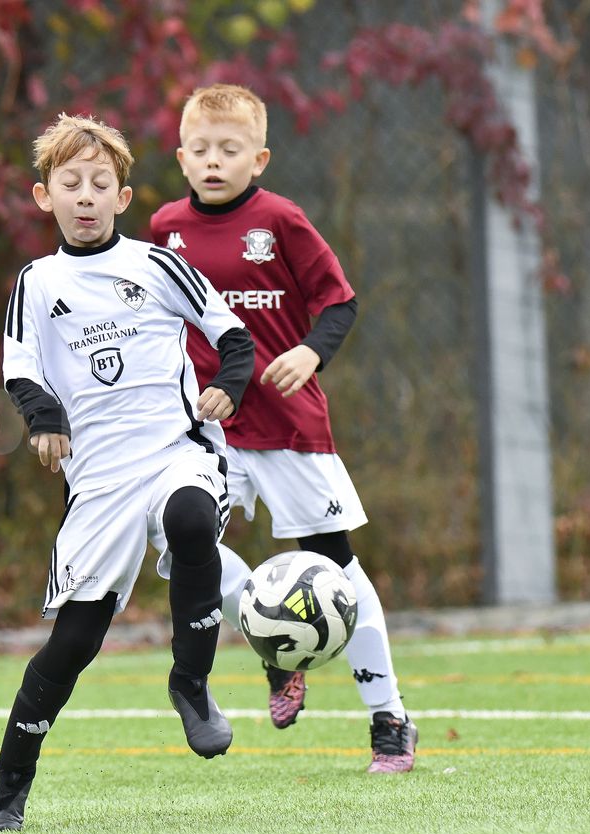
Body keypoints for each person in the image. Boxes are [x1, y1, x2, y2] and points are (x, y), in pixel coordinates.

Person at [0, 113, 255, 831]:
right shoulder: (37, 282)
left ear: (123, 197)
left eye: (101, 184)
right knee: (74, 643)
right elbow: (19, 368)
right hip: (98, 482)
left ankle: (191, 683)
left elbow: (230, 333)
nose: (87, 196)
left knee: (193, 521)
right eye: (71, 184)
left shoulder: (157, 264)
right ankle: (8, 781)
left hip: (174, 452)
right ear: (46, 196)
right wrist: (45, 420)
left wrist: (229, 380)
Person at [150, 83, 416, 773]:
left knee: (337, 564)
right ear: (181, 157)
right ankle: (276, 637)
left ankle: (388, 715)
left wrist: (308, 350)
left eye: (229, 150)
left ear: (259, 158)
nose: (214, 160)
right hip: (206, 428)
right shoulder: (163, 230)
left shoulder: (282, 220)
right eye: (201, 149)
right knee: (182, 549)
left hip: (288, 425)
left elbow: (339, 301)